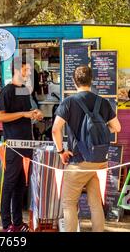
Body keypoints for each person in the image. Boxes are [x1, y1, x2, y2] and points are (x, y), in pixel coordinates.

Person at [52, 65, 121, 232]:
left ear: (74, 82)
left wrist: (61, 152)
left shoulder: (68, 103)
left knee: (68, 203)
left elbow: (55, 129)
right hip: (99, 162)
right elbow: (117, 127)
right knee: (96, 203)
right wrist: (102, 131)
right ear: (92, 81)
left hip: (78, 161)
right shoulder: (103, 102)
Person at [0, 55, 44, 232]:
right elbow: (0, 116)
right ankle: (6, 225)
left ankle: (17, 223)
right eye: (26, 69)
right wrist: (24, 114)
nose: (29, 72)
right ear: (17, 70)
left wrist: (34, 114)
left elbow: (26, 112)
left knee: (20, 185)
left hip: (27, 144)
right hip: (13, 145)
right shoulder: (7, 91)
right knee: (9, 184)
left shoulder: (24, 89)